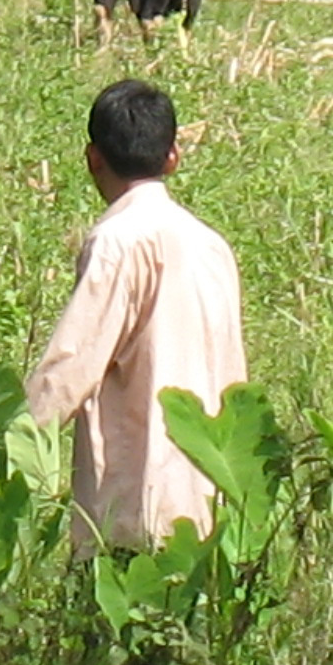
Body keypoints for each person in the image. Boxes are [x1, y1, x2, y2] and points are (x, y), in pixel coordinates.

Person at [24, 79, 247, 558]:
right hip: (211, 505)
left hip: (133, 506)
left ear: (93, 158)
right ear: (173, 156)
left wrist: (3, 452)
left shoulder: (117, 241)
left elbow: (71, 366)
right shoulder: (212, 246)